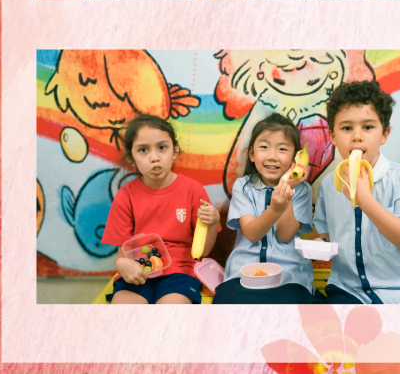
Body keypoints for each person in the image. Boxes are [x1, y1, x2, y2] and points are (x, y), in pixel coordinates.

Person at [313, 80, 400, 305]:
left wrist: (364, 199)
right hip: (348, 290)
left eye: (368, 127)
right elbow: (326, 234)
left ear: (384, 134)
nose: (357, 136)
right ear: (333, 136)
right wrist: (320, 244)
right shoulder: (329, 185)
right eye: (346, 128)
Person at [101, 115, 220, 304]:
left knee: (170, 312)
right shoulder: (125, 196)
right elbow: (122, 256)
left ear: (174, 151)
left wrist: (213, 222)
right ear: (132, 157)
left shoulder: (193, 190)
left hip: (180, 271)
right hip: (139, 271)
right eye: (143, 150)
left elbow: (202, 252)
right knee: (123, 312)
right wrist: (121, 263)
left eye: (162, 147)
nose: (154, 157)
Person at [212, 114, 315, 304]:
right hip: (243, 275)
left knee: (298, 307)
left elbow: (285, 236)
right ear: (252, 154)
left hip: (289, 276)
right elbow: (252, 233)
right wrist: (275, 208)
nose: (272, 156)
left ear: (295, 158)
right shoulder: (243, 187)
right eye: (264, 147)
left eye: (282, 149)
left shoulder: (302, 190)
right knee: (224, 303)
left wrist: (287, 188)